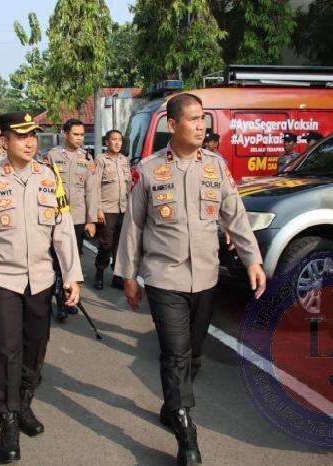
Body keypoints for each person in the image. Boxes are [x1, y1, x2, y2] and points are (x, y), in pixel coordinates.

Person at [114, 93, 266, 466]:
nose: (201, 126)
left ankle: (173, 405)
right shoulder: (149, 170)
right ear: (173, 125)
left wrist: (253, 260)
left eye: (203, 120)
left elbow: (235, 216)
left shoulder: (216, 167)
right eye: (194, 119)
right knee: (175, 352)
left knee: (194, 354)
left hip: (206, 277)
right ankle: (186, 432)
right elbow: (133, 226)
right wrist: (128, 275)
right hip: (164, 277)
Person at [0, 112, 83, 464]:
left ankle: (24, 401)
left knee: (36, 347)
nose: (29, 142)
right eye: (22, 136)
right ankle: (7, 420)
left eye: (33, 136)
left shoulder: (49, 177)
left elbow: (63, 229)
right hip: (2, 279)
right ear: (6, 140)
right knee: (7, 351)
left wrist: (72, 274)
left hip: (40, 279)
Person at [44, 119, 98, 320]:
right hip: (55, 218)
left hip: (77, 218)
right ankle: (59, 301)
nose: (79, 138)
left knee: (72, 261)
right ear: (65, 134)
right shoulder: (52, 156)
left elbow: (91, 191)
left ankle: (69, 297)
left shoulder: (87, 159)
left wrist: (91, 220)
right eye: (76, 134)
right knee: (56, 260)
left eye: (82, 135)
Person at [93, 129, 130, 290]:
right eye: (114, 139)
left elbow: (129, 185)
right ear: (107, 142)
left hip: (123, 208)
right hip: (107, 209)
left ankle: (117, 276)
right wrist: (98, 209)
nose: (117, 143)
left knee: (120, 246)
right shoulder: (100, 160)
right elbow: (94, 186)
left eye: (120, 140)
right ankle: (99, 273)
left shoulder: (124, 160)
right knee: (106, 244)